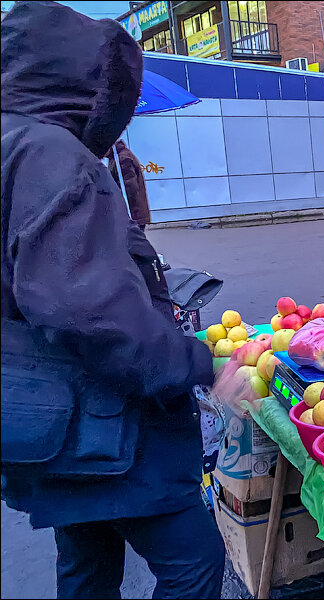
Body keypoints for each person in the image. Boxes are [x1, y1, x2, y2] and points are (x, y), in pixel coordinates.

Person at [1, 3, 224, 598]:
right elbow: (85, 309)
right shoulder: (50, 155)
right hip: (99, 421)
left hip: (47, 420)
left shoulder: (11, 143)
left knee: (86, 559)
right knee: (194, 563)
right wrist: (196, 363)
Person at [106, 139, 152, 230]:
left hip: (132, 214)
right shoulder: (117, 157)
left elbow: (129, 188)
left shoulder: (122, 159)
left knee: (133, 243)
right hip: (133, 214)